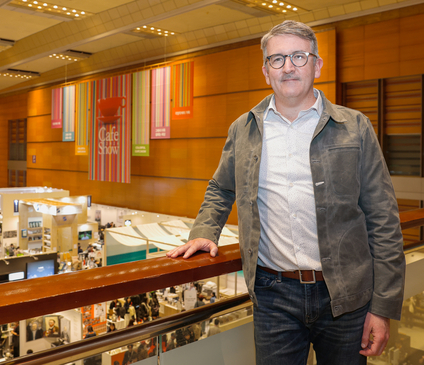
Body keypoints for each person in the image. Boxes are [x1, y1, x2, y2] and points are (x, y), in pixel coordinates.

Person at [167, 20, 405, 365]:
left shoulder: (355, 128)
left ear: (317, 65)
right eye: (277, 59)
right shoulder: (244, 129)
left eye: (298, 56)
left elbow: (383, 217)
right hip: (273, 296)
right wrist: (205, 230)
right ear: (266, 71)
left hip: (347, 296)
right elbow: (221, 186)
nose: (288, 67)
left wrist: (382, 308)